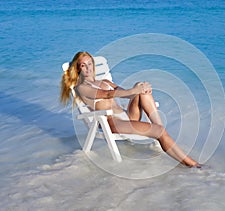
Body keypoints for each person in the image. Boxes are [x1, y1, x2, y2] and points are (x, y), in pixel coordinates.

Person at [60, 51, 202, 168]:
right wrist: (134, 90)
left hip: (127, 116)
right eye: (83, 65)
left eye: (90, 64)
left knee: (140, 86)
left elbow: (127, 94)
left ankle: (160, 129)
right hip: (113, 123)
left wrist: (141, 89)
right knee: (159, 131)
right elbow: (107, 94)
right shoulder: (82, 88)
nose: (88, 68)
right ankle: (192, 164)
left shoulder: (105, 82)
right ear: (78, 68)